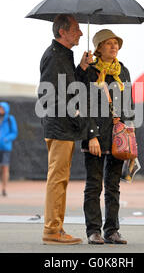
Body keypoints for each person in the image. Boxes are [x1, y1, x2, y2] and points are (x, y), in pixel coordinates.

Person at [38, 14, 92, 245]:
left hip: (62, 126)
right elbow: (48, 94)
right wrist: (74, 112)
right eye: (76, 29)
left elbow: (69, 87)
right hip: (60, 126)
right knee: (57, 179)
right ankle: (52, 230)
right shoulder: (54, 57)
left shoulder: (62, 56)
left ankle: (55, 228)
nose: (80, 33)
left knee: (60, 179)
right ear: (63, 32)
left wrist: (81, 67)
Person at [80, 29, 134, 245]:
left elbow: (128, 105)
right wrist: (91, 136)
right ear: (98, 47)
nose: (114, 47)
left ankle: (112, 230)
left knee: (113, 186)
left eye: (116, 43)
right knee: (94, 185)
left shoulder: (124, 71)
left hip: (118, 138)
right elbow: (85, 106)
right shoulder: (90, 72)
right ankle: (93, 231)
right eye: (109, 43)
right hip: (95, 137)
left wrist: (130, 134)